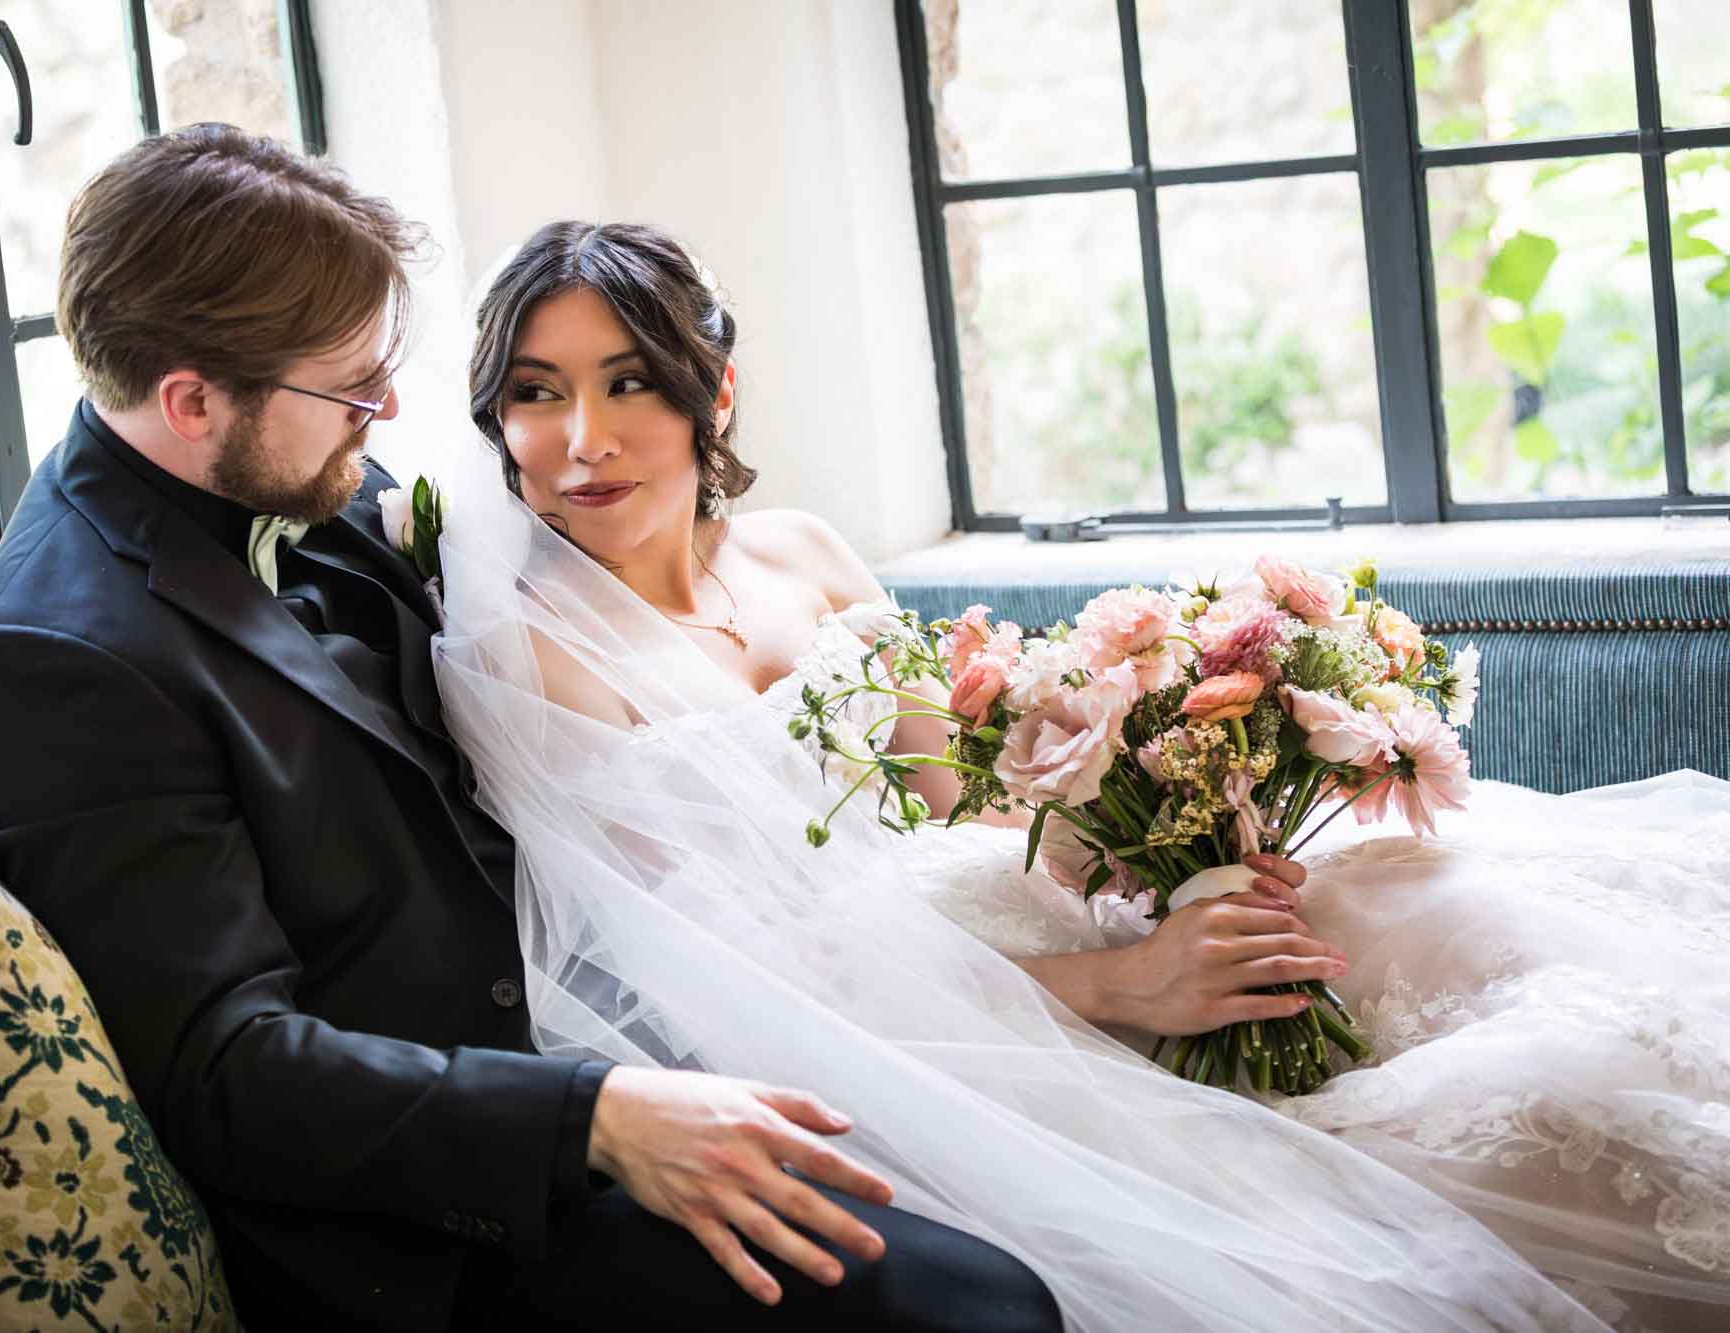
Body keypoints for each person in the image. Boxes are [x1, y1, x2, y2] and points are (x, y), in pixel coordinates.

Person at [433, 219, 1730, 1331]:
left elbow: (964, 802)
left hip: (1013, 910)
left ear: (712, 391)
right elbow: (735, 991)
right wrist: (1127, 982)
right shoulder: (532, 660)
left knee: (1467, 918)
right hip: (941, 1039)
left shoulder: (802, 551)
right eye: (539, 392)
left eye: (628, 383)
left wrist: (1164, 830)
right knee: (1513, 1139)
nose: (584, 438)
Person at [0, 126, 1065, 1332]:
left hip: (609, 1020)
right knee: (982, 1308)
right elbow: (225, 1074)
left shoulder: (303, 477)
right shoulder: (54, 662)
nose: (387, 407)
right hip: (438, 1213)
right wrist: (592, 1119)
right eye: (351, 385)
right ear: (190, 400)